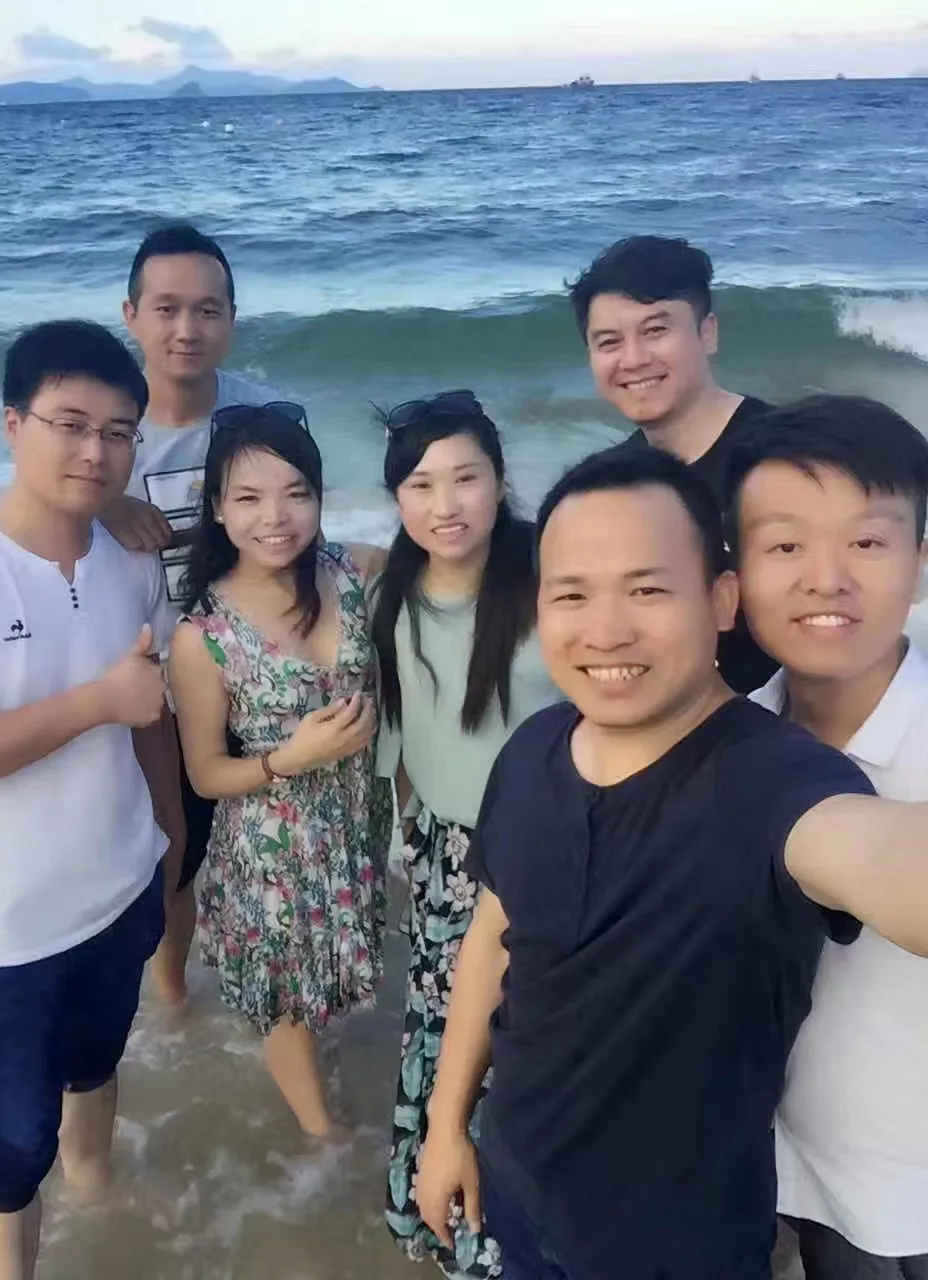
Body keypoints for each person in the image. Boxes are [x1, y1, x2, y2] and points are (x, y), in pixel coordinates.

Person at [415, 446, 928, 1280]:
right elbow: (492, 939)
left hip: (679, 1248)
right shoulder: (534, 747)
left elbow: (884, 858)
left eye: (648, 590)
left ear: (721, 600)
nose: (606, 630)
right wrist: (445, 1128)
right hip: (516, 1190)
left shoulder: (777, 781)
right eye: (572, 594)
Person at [0, 321, 176, 1280]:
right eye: (71, 424)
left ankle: (99, 1199)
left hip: (120, 884)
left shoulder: (131, 556)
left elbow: (153, 714)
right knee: (15, 1144)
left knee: (97, 1064)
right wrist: (97, 702)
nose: (96, 451)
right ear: (13, 423)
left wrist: (171, 846)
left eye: (119, 432)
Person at [727, 396, 928, 1280]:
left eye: (868, 542)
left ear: (920, 561)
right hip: (781, 1168)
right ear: (734, 572)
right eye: (784, 547)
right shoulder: (727, 738)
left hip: (905, 1200)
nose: (826, 578)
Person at [371, 391, 561, 1278]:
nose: (444, 505)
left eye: (465, 479)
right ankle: (454, 1223)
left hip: (553, 851)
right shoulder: (390, 595)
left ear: (500, 482)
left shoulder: (550, 578)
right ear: (396, 499)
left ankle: (535, 1229)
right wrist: (405, 841)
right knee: (450, 1033)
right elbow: (403, 736)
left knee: (536, 1038)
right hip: (447, 854)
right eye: (420, 484)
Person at [167, 403, 390, 1140]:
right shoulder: (203, 636)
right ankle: (326, 1143)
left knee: (330, 971)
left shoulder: (355, 572)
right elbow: (205, 775)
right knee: (289, 1001)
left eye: (296, 492)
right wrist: (286, 760)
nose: (276, 517)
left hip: (355, 822)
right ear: (217, 508)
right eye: (249, 498)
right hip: (272, 845)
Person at [110, 222, 281, 1006]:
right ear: (131, 315)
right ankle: (172, 991)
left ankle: (264, 989)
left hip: (254, 667)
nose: (188, 328)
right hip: (151, 682)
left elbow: (297, 528)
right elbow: (37, 517)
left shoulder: (267, 416)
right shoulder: (107, 434)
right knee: (173, 848)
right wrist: (105, 504)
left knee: (265, 841)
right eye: (167, 308)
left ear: (231, 319)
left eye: (208, 310)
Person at [569, 234, 776, 692]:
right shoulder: (620, 480)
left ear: (708, 333)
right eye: (608, 342)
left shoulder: (782, 457)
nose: (633, 359)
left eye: (656, 331)